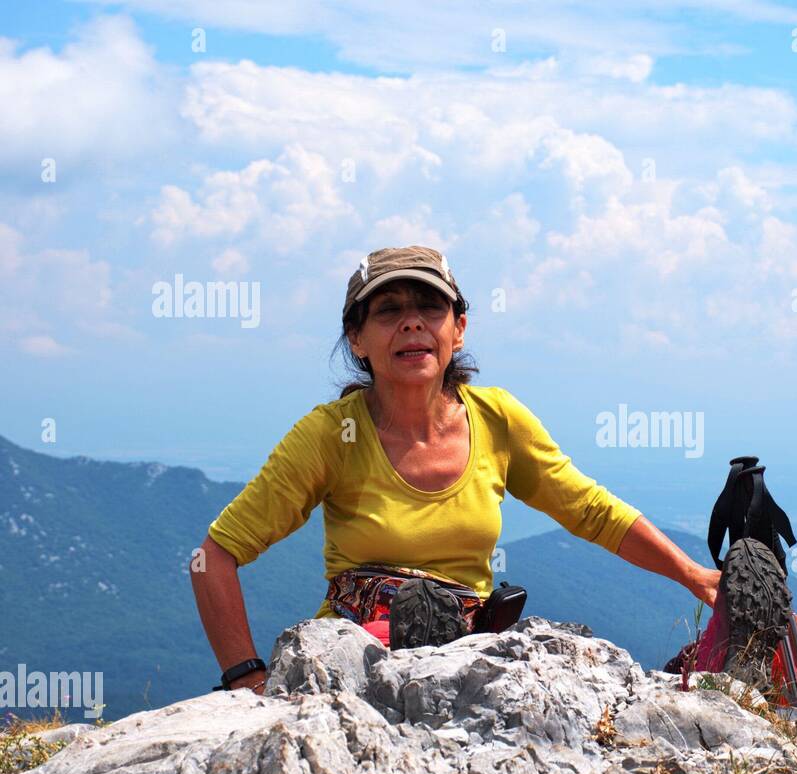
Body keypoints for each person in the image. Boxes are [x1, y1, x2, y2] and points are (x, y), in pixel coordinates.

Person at [190, 245, 722, 696]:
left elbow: (590, 510)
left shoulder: (496, 419)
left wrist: (693, 575)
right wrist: (245, 678)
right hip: (351, 663)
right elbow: (213, 557)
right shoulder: (331, 435)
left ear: (458, 328)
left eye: (430, 307)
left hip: (469, 657)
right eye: (388, 311)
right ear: (357, 339)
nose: (412, 322)